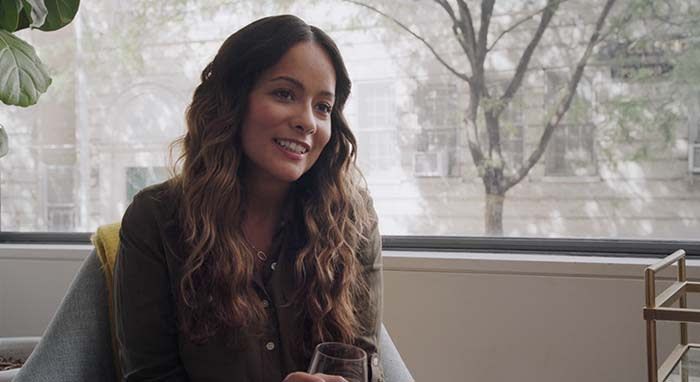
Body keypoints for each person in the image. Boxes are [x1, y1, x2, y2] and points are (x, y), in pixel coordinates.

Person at [113, 14, 384, 382]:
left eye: (323, 106)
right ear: (232, 102)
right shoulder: (157, 219)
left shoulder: (354, 219)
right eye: (284, 93)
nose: (308, 121)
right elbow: (150, 376)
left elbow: (363, 364)